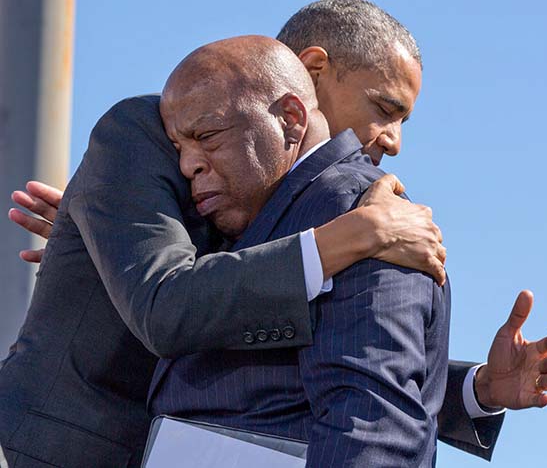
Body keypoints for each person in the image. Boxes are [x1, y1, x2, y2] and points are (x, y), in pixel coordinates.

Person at [4, 0, 547, 466]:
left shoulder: (319, 199)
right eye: (384, 107)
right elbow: (167, 301)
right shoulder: (146, 133)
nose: (393, 140)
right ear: (311, 76)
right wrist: (349, 237)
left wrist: (474, 390)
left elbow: (331, 366)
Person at [151, 34, 451, 467]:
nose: (187, 165)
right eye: (180, 147)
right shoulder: (241, 214)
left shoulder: (362, 211)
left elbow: (372, 425)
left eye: (208, 135)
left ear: (291, 117)